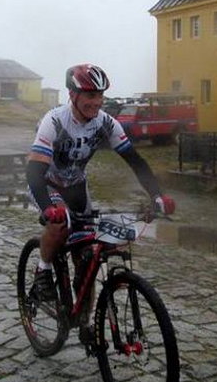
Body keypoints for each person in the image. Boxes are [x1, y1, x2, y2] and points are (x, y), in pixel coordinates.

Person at [26, 63, 176, 307]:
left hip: (77, 187)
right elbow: (34, 171)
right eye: (90, 95)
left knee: (86, 257)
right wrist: (46, 208)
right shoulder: (54, 121)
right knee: (60, 223)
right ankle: (43, 271)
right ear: (73, 95)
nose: (96, 102)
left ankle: (85, 322)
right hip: (47, 183)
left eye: (100, 96)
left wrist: (157, 195)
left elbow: (135, 161)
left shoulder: (106, 123)